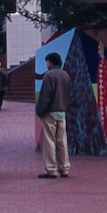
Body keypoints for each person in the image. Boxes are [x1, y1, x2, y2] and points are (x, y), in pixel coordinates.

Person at [36, 51, 71, 179]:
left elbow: (45, 96)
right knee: (62, 141)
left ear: (50, 62)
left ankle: (51, 169)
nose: (46, 64)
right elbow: (68, 94)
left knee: (49, 141)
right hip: (62, 112)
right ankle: (64, 168)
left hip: (50, 112)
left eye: (47, 61)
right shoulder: (65, 75)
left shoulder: (49, 76)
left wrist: (40, 111)